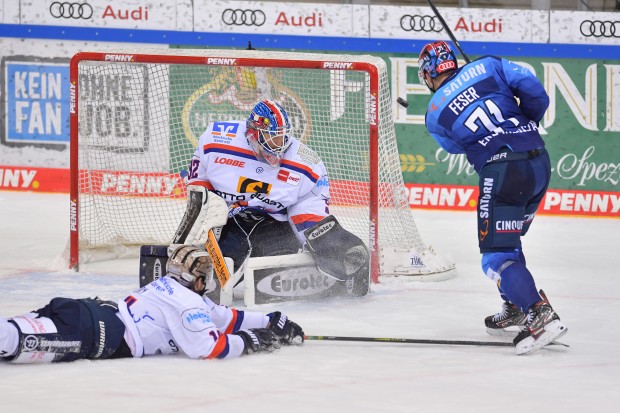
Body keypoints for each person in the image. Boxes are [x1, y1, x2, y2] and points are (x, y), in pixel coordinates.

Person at [417, 41, 567, 355]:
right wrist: (524, 119)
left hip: (502, 171)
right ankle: (514, 306)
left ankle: (539, 313)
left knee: (496, 257)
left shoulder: (433, 114)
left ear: (429, 75)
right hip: (539, 159)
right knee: (508, 241)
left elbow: (457, 146)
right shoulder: (489, 65)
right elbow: (533, 88)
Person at [170, 99, 369, 297]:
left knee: (272, 280)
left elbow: (308, 208)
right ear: (253, 133)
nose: (278, 145)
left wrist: (321, 237)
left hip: (274, 224)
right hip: (231, 221)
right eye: (272, 137)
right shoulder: (218, 139)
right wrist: (207, 207)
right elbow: (200, 180)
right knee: (208, 281)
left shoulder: (307, 164)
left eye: (282, 138)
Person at [0, 245, 304, 363]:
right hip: (92, 334)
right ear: (196, 279)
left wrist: (271, 320)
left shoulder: (171, 287)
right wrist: (250, 342)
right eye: (205, 276)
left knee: (11, 331)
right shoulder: (188, 305)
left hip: (84, 312)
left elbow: (226, 318)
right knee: (10, 340)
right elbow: (209, 348)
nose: (208, 281)